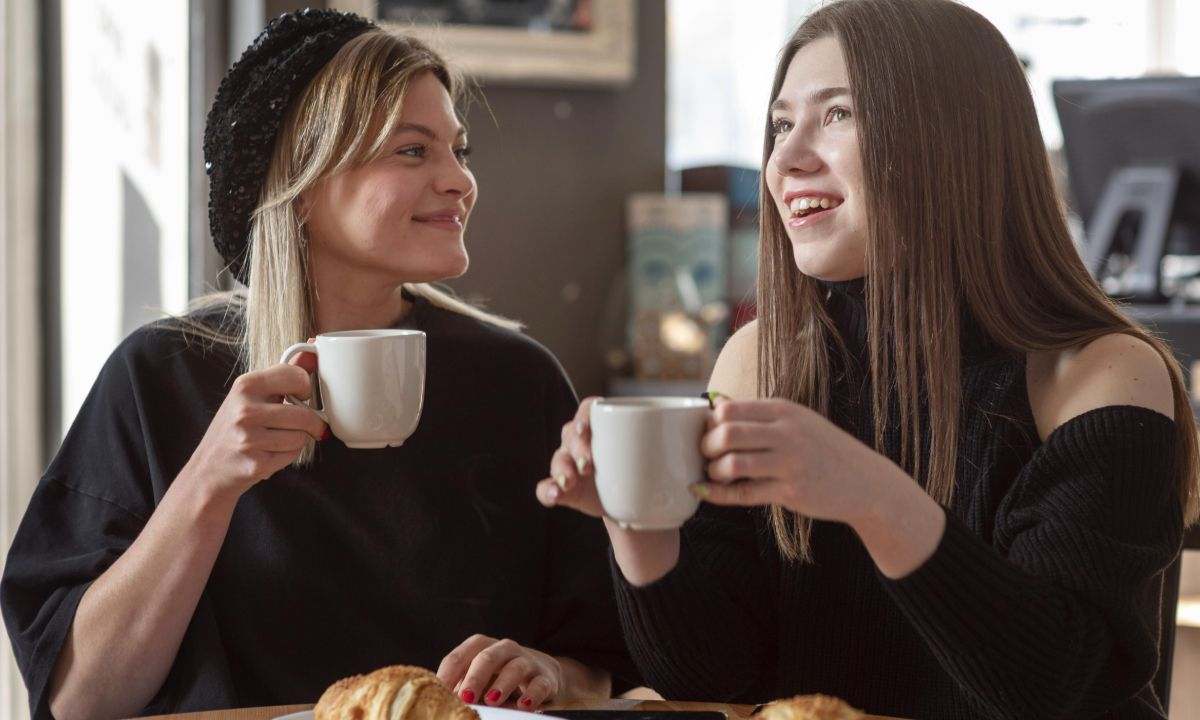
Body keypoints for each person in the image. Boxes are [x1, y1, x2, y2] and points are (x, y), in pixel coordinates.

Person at [538, 1, 1200, 718]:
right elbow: (711, 678)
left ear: (954, 143)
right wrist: (636, 518)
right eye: (781, 125)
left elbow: (1056, 686)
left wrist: (869, 495)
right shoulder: (758, 362)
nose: (786, 160)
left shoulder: (1101, 372)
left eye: (838, 114)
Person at [1, 9, 631, 720]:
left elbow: (600, 661)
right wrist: (208, 483)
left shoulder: (518, 381)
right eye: (413, 151)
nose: (460, 180)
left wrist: (551, 672)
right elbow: (78, 700)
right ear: (303, 181)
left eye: (460, 150)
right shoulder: (159, 377)